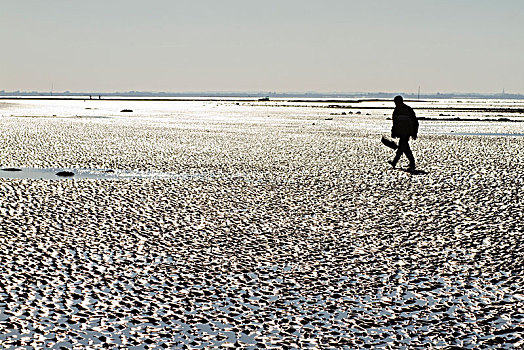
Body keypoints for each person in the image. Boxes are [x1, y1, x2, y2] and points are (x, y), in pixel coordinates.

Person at [389, 95, 418, 171]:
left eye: (396, 102)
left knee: (403, 146)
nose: (395, 104)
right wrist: (393, 132)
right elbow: (394, 123)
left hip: (407, 132)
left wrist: (414, 133)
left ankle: (396, 162)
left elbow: (415, 122)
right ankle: (410, 162)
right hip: (400, 132)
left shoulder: (408, 110)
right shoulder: (396, 111)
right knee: (403, 147)